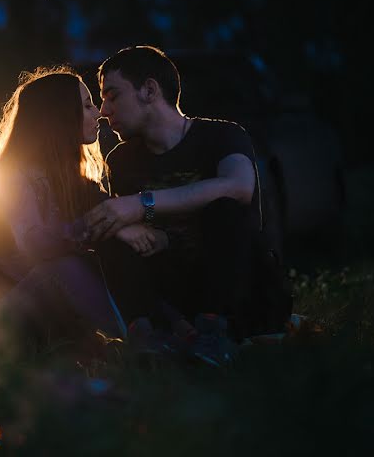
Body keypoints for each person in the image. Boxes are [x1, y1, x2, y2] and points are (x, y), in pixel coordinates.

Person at [85, 45, 292, 354]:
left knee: (224, 208)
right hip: (177, 293)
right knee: (113, 231)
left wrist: (142, 203)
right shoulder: (123, 160)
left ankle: (214, 333)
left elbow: (238, 187)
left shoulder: (222, 136)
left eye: (112, 96)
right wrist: (137, 224)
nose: (104, 111)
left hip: (241, 291)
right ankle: (148, 338)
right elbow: (144, 235)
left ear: (149, 90)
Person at [0, 66, 159, 360]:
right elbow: (34, 243)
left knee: (109, 254)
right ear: (60, 116)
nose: (99, 114)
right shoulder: (14, 177)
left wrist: (147, 223)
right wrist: (108, 226)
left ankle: (172, 331)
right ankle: (142, 343)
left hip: (47, 318)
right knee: (61, 267)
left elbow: (116, 216)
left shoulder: (77, 185)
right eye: (88, 105)